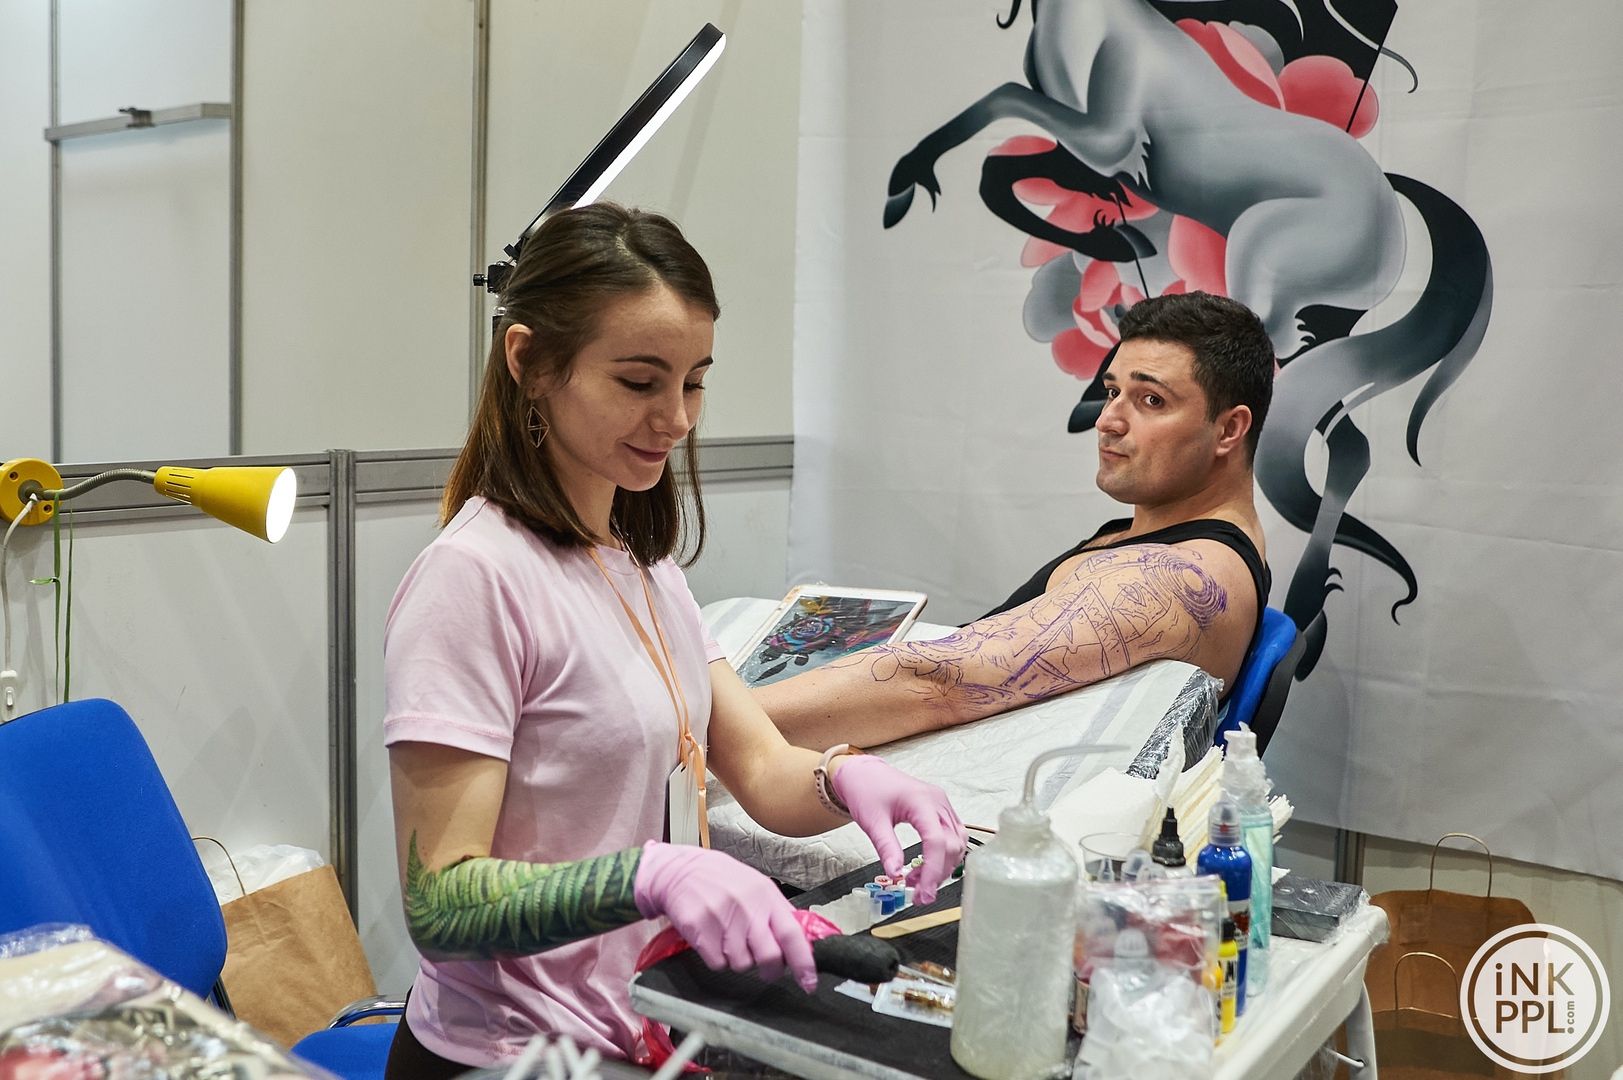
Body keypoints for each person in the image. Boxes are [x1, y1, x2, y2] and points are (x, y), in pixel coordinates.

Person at [381, 203, 965, 1076]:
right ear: (528, 362)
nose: (677, 418)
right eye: (638, 382)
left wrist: (846, 776)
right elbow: (441, 902)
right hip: (514, 1051)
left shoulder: (643, 566)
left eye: (693, 382)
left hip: (645, 1017)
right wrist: (647, 876)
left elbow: (759, 766)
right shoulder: (473, 578)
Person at [758, 290, 1274, 750]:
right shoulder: (1153, 533)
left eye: (1151, 400)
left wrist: (721, 718)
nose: (1107, 420)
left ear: (1229, 430)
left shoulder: (1173, 579)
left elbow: (937, 683)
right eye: (1113, 392)